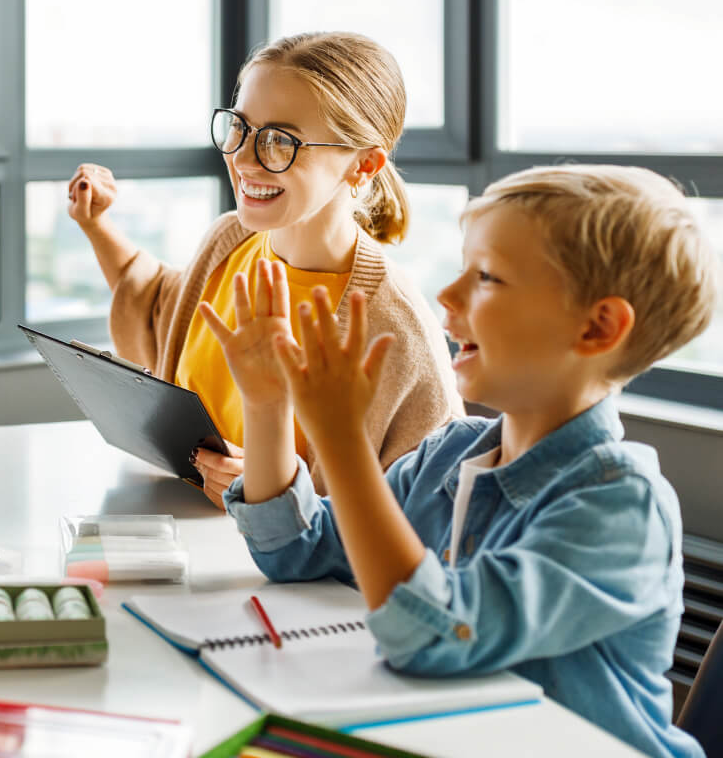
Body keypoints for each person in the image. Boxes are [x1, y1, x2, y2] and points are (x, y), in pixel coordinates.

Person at [206, 165, 714, 758]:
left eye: (488, 277)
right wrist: (269, 405)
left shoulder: (620, 506)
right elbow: (295, 549)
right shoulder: (448, 453)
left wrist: (343, 443)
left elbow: (434, 635)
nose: (447, 296)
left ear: (598, 326)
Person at [66, 32, 462, 505]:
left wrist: (275, 490)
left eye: (280, 141)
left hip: (283, 579)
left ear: (364, 164)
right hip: (182, 545)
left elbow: (425, 513)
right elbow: (158, 308)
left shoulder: (395, 334)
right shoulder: (230, 241)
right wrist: (95, 225)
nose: (244, 159)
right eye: (240, 127)